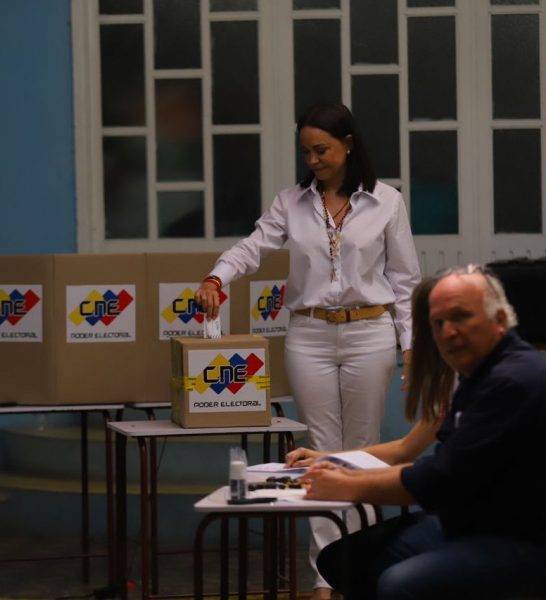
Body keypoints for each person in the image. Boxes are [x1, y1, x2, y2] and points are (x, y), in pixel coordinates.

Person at [194, 103, 420, 599]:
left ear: (348, 145)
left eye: (322, 150)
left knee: (361, 451)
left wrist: (413, 350)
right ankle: (325, 577)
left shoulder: (387, 201)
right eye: (306, 152)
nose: (313, 160)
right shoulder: (291, 202)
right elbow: (252, 247)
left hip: (370, 332)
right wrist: (216, 277)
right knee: (319, 452)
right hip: (309, 335)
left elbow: (405, 283)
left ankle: (360, 569)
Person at [305, 265, 546, 600]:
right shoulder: (477, 377)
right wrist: (341, 472)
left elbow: (440, 479)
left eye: (461, 317)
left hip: (536, 545)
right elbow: (439, 465)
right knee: (344, 560)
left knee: (398, 584)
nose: (448, 332)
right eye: (438, 324)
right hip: (484, 524)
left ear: (500, 320)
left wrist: (348, 485)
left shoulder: (514, 381)